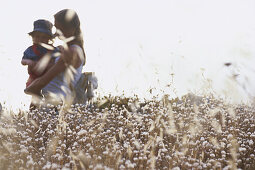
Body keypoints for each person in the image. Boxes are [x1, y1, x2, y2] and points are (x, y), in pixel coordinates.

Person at [24, 9, 86, 107]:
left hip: (56, 105)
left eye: (59, 28)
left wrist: (29, 89)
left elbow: (44, 80)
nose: (56, 33)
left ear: (71, 28)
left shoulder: (72, 52)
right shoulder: (66, 50)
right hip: (51, 103)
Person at [21, 19, 57, 88]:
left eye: (44, 37)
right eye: (37, 37)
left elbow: (57, 62)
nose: (40, 39)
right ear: (32, 37)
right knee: (31, 88)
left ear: (49, 39)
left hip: (49, 77)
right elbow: (23, 61)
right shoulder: (30, 50)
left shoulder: (52, 50)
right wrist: (28, 61)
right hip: (34, 77)